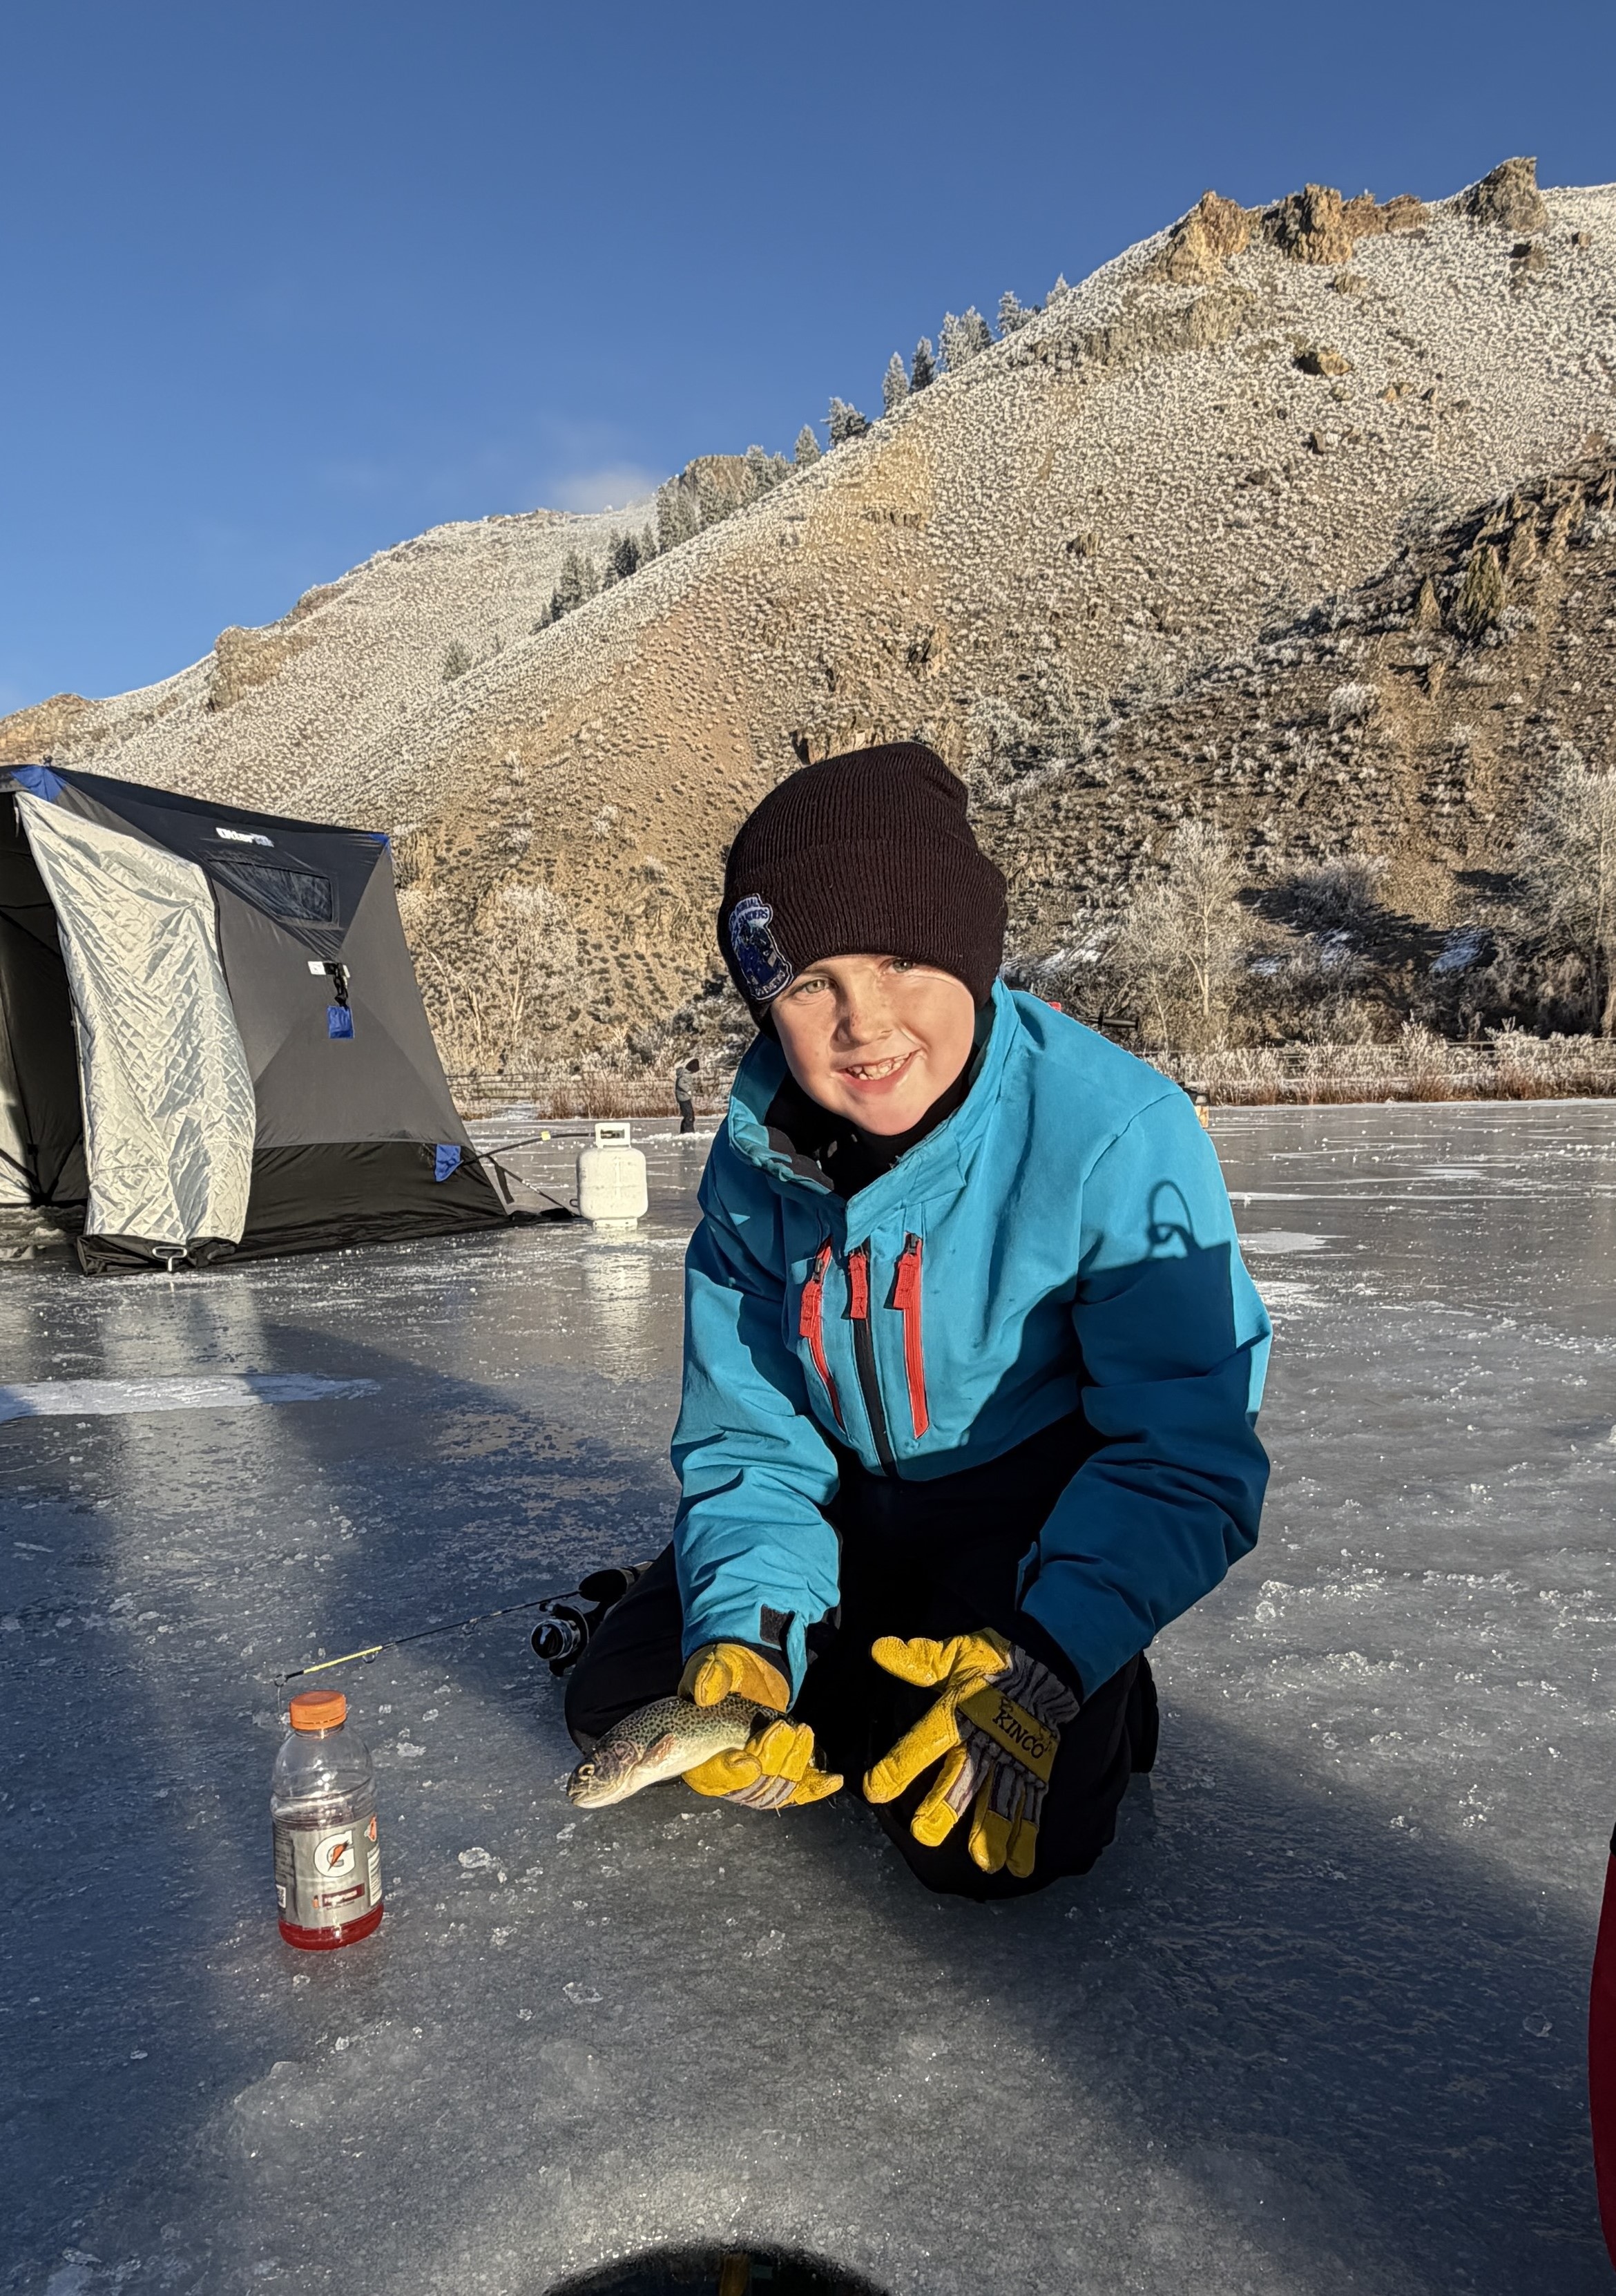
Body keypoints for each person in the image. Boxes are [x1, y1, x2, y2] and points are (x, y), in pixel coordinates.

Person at [566, 743, 1271, 1900]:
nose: (863, 1023)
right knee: (621, 1703)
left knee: (990, 1840)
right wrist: (744, 1635)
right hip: (846, 1507)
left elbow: (1184, 1452)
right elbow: (750, 1440)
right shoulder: (757, 1158)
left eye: (898, 959)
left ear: (970, 952)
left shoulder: (1114, 1128)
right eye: (809, 984)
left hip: (1026, 1519)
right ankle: (817, 1641)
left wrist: (1049, 1656)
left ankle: (1097, 1671)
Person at [673, 1053, 701, 1133]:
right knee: (689, 1116)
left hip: (685, 1098)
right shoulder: (685, 1075)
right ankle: (688, 1132)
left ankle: (685, 1131)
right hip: (684, 1098)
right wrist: (688, 1090)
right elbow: (681, 1084)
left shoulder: (685, 1074)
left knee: (689, 1115)